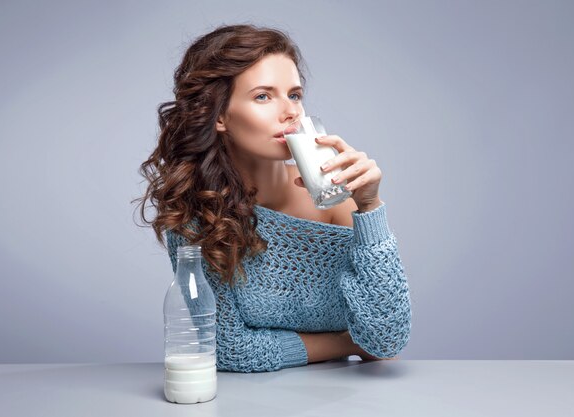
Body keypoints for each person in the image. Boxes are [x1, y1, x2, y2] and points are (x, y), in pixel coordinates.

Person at [135, 24, 412, 373]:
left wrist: (370, 208)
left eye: (294, 95)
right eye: (263, 96)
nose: (291, 112)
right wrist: (348, 342)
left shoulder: (338, 194)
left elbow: (387, 339)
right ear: (219, 116)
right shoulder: (197, 212)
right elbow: (231, 349)